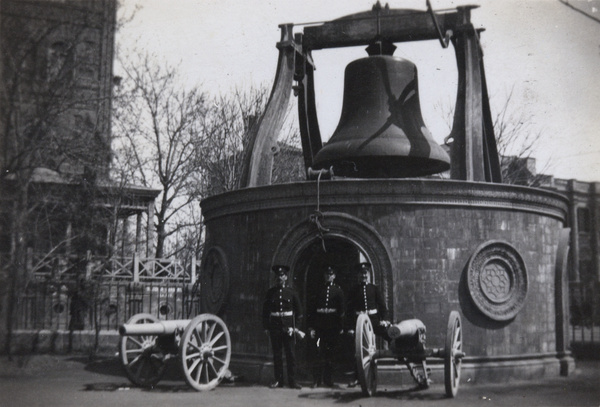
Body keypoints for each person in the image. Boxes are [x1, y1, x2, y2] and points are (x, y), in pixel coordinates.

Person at [345, 261, 389, 387]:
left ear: (368, 275)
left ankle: (399, 357)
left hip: (374, 321)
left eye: (365, 274)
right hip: (360, 324)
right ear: (358, 276)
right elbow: (349, 310)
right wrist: (349, 327)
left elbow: (382, 307)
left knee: (389, 334)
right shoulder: (354, 290)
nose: (363, 276)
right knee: (357, 350)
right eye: (361, 274)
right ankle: (356, 378)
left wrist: (385, 320)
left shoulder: (374, 289)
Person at [262, 265, 303, 389]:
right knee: (277, 354)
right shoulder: (271, 293)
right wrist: (266, 327)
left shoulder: (292, 292)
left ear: (286, 277)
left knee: (290, 355)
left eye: (282, 275)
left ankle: (292, 381)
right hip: (275, 328)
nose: (280, 278)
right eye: (278, 276)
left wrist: (296, 328)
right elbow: (265, 312)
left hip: (288, 328)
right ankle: (278, 381)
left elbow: (299, 313)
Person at [307, 265, 345, 388]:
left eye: (331, 274)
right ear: (324, 276)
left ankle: (328, 380)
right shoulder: (319, 289)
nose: (329, 276)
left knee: (330, 353)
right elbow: (312, 310)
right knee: (318, 352)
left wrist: (341, 327)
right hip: (319, 325)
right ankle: (316, 380)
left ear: (334, 276)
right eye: (327, 274)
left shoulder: (338, 291)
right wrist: (311, 327)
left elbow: (342, 311)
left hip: (332, 326)